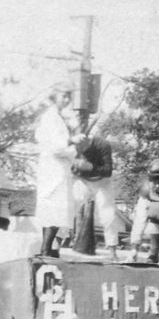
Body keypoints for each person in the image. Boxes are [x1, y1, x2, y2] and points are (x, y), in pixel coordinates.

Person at [34, 83, 86, 257]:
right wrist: (73, 141)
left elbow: (65, 149)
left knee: (56, 211)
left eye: (68, 96)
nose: (66, 99)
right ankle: (45, 250)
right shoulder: (50, 117)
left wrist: (73, 144)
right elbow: (56, 147)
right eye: (63, 95)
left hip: (58, 169)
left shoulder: (58, 117)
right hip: (52, 170)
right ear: (53, 96)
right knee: (53, 210)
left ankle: (49, 249)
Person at [69, 111, 119, 260]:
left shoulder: (103, 144)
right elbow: (69, 166)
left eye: (83, 148)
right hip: (83, 181)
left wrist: (90, 167)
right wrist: (75, 167)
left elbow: (108, 171)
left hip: (101, 181)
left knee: (108, 215)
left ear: (88, 141)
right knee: (69, 207)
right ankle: (55, 245)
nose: (80, 151)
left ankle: (113, 253)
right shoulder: (74, 146)